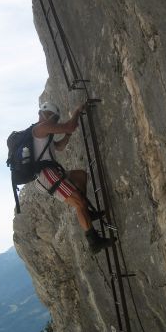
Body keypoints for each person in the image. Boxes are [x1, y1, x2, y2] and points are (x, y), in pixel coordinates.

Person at [33, 101, 114, 254]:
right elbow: (69, 126)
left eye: (55, 119)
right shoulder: (40, 128)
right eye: (52, 117)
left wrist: (68, 134)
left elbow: (61, 146)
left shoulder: (44, 135)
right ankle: (94, 242)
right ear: (43, 114)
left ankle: (86, 213)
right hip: (47, 175)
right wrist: (77, 111)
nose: (54, 121)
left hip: (51, 172)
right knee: (79, 202)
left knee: (80, 176)